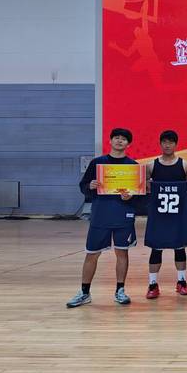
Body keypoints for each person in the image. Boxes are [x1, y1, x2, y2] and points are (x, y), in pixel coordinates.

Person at [66, 128, 138, 308]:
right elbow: (83, 186)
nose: (119, 141)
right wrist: (90, 185)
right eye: (116, 138)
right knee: (92, 253)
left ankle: (120, 291)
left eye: (123, 139)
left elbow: (140, 194)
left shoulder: (133, 166)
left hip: (123, 215)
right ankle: (84, 292)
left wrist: (131, 197)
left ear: (128, 144)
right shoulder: (97, 163)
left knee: (122, 252)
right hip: (100, 214)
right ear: (110, 141)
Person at [144, 129, 187, 299]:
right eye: (164, 142)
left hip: (178, 214)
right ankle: (152, 284)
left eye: (171, 142)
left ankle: (181, 282)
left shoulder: (185, 165)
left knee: (179, 248)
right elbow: (146, 188)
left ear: (176, 144)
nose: (167, 145)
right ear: (160, 144)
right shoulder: (151, 165)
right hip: (158, 214)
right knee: (156, 249)